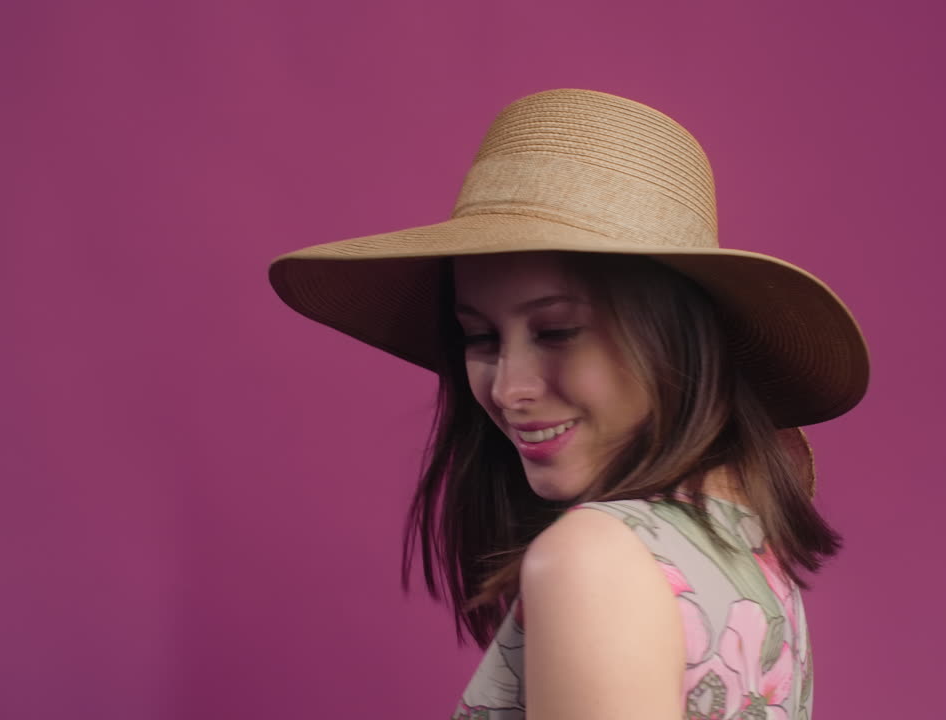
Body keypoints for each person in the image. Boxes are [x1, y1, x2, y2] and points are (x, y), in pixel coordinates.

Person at [268, 88, 869, 720]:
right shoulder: (742, 553)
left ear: (675, 341)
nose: (507, 389)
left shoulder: (596, 559)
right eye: (480, 337)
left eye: (556, 331)